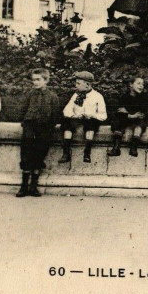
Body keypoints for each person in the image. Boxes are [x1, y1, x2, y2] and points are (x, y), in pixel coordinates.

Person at [16, 68, 60, 198]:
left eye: (38, 80)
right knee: (27, 153)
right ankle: (23, 186)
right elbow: (22, 110)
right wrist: (24, 122)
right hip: (30, 126)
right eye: (33, 80)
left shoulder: (52, 97)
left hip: (45, 128)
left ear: (46, 80)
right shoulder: (29, 95)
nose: (35, 82)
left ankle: (33, 186)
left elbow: (55, 114)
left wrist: (51, 127)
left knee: (39, 154)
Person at [59, 71, 107, 164]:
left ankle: (87, 153)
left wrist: (92, 115)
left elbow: (103, 115)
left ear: (87, 84)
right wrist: (75, 115)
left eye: (78, 83)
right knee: (66, 123)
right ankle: (66, 153)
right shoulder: (76, 95)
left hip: (89, 119)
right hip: (77, 119)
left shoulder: (97, 96)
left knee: (91, 124)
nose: (76, 85)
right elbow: (66, 110)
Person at [108, 76, 148, 158]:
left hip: (137, 120)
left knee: (139, 126)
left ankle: (133, 148)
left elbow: (142, 113)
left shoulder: (143, 99)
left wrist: (128, 113)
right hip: (126, 119)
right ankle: (116, 148)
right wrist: (131, 115)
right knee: (118, 123)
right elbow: (120, 111)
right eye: (138, 83)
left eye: (142, 84)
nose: (141, 86)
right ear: (131, 85)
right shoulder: (124, 97)